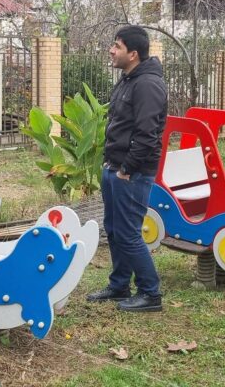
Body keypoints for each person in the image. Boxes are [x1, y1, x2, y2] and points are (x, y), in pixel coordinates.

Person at [86, 26, 167, 312]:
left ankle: (150, 293)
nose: (111, 50)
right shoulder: (129, 79)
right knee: (114, 229)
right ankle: (119, 285)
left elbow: (147, 134)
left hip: (132, 172)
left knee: (129, 232)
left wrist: (127, 168)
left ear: (133, 54)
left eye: (117, 46)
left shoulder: (147, 85)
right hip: (115, 166)